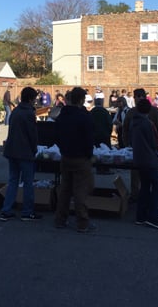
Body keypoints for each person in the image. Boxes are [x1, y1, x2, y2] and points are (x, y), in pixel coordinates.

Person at [54, 87, 96, 233]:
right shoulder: (84, 117)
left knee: (65, 189)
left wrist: (63, 148)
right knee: (81, 191)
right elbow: (89, 138)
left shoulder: (62, 115)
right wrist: (89, 154)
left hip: (66, 156)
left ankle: (60, 219)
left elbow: (56, 135)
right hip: (81, 157)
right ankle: (82, 222)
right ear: (80, 100)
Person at [0, 87, 42, 222]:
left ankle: (6, 210)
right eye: (34, 99)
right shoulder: (29, 113)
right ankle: (27, 211)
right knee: (28, 182)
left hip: (12, 150)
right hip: (24, 152)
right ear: (30, 99)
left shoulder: (16, 111)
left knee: (13, 181)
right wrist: (34, 149)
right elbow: (32, 134)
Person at [123, 88, 158, 202]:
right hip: (136, 150)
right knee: (136, 175)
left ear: (142, 97)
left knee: (150, 178)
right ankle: (135, 196)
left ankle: (148, 199)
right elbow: (125, 129)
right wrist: (127, 144)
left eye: (138, 97)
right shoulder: (131, 112)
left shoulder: (155, 112)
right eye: (135, 97)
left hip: (151, 151)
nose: (136, 99)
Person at [132, 99, 158, 230]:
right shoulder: (148, 123)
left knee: (145, 186)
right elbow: (154, 142)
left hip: (138, 158)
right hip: (149, 159)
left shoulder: (134, 121)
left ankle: (141, 216)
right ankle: (153, 217)